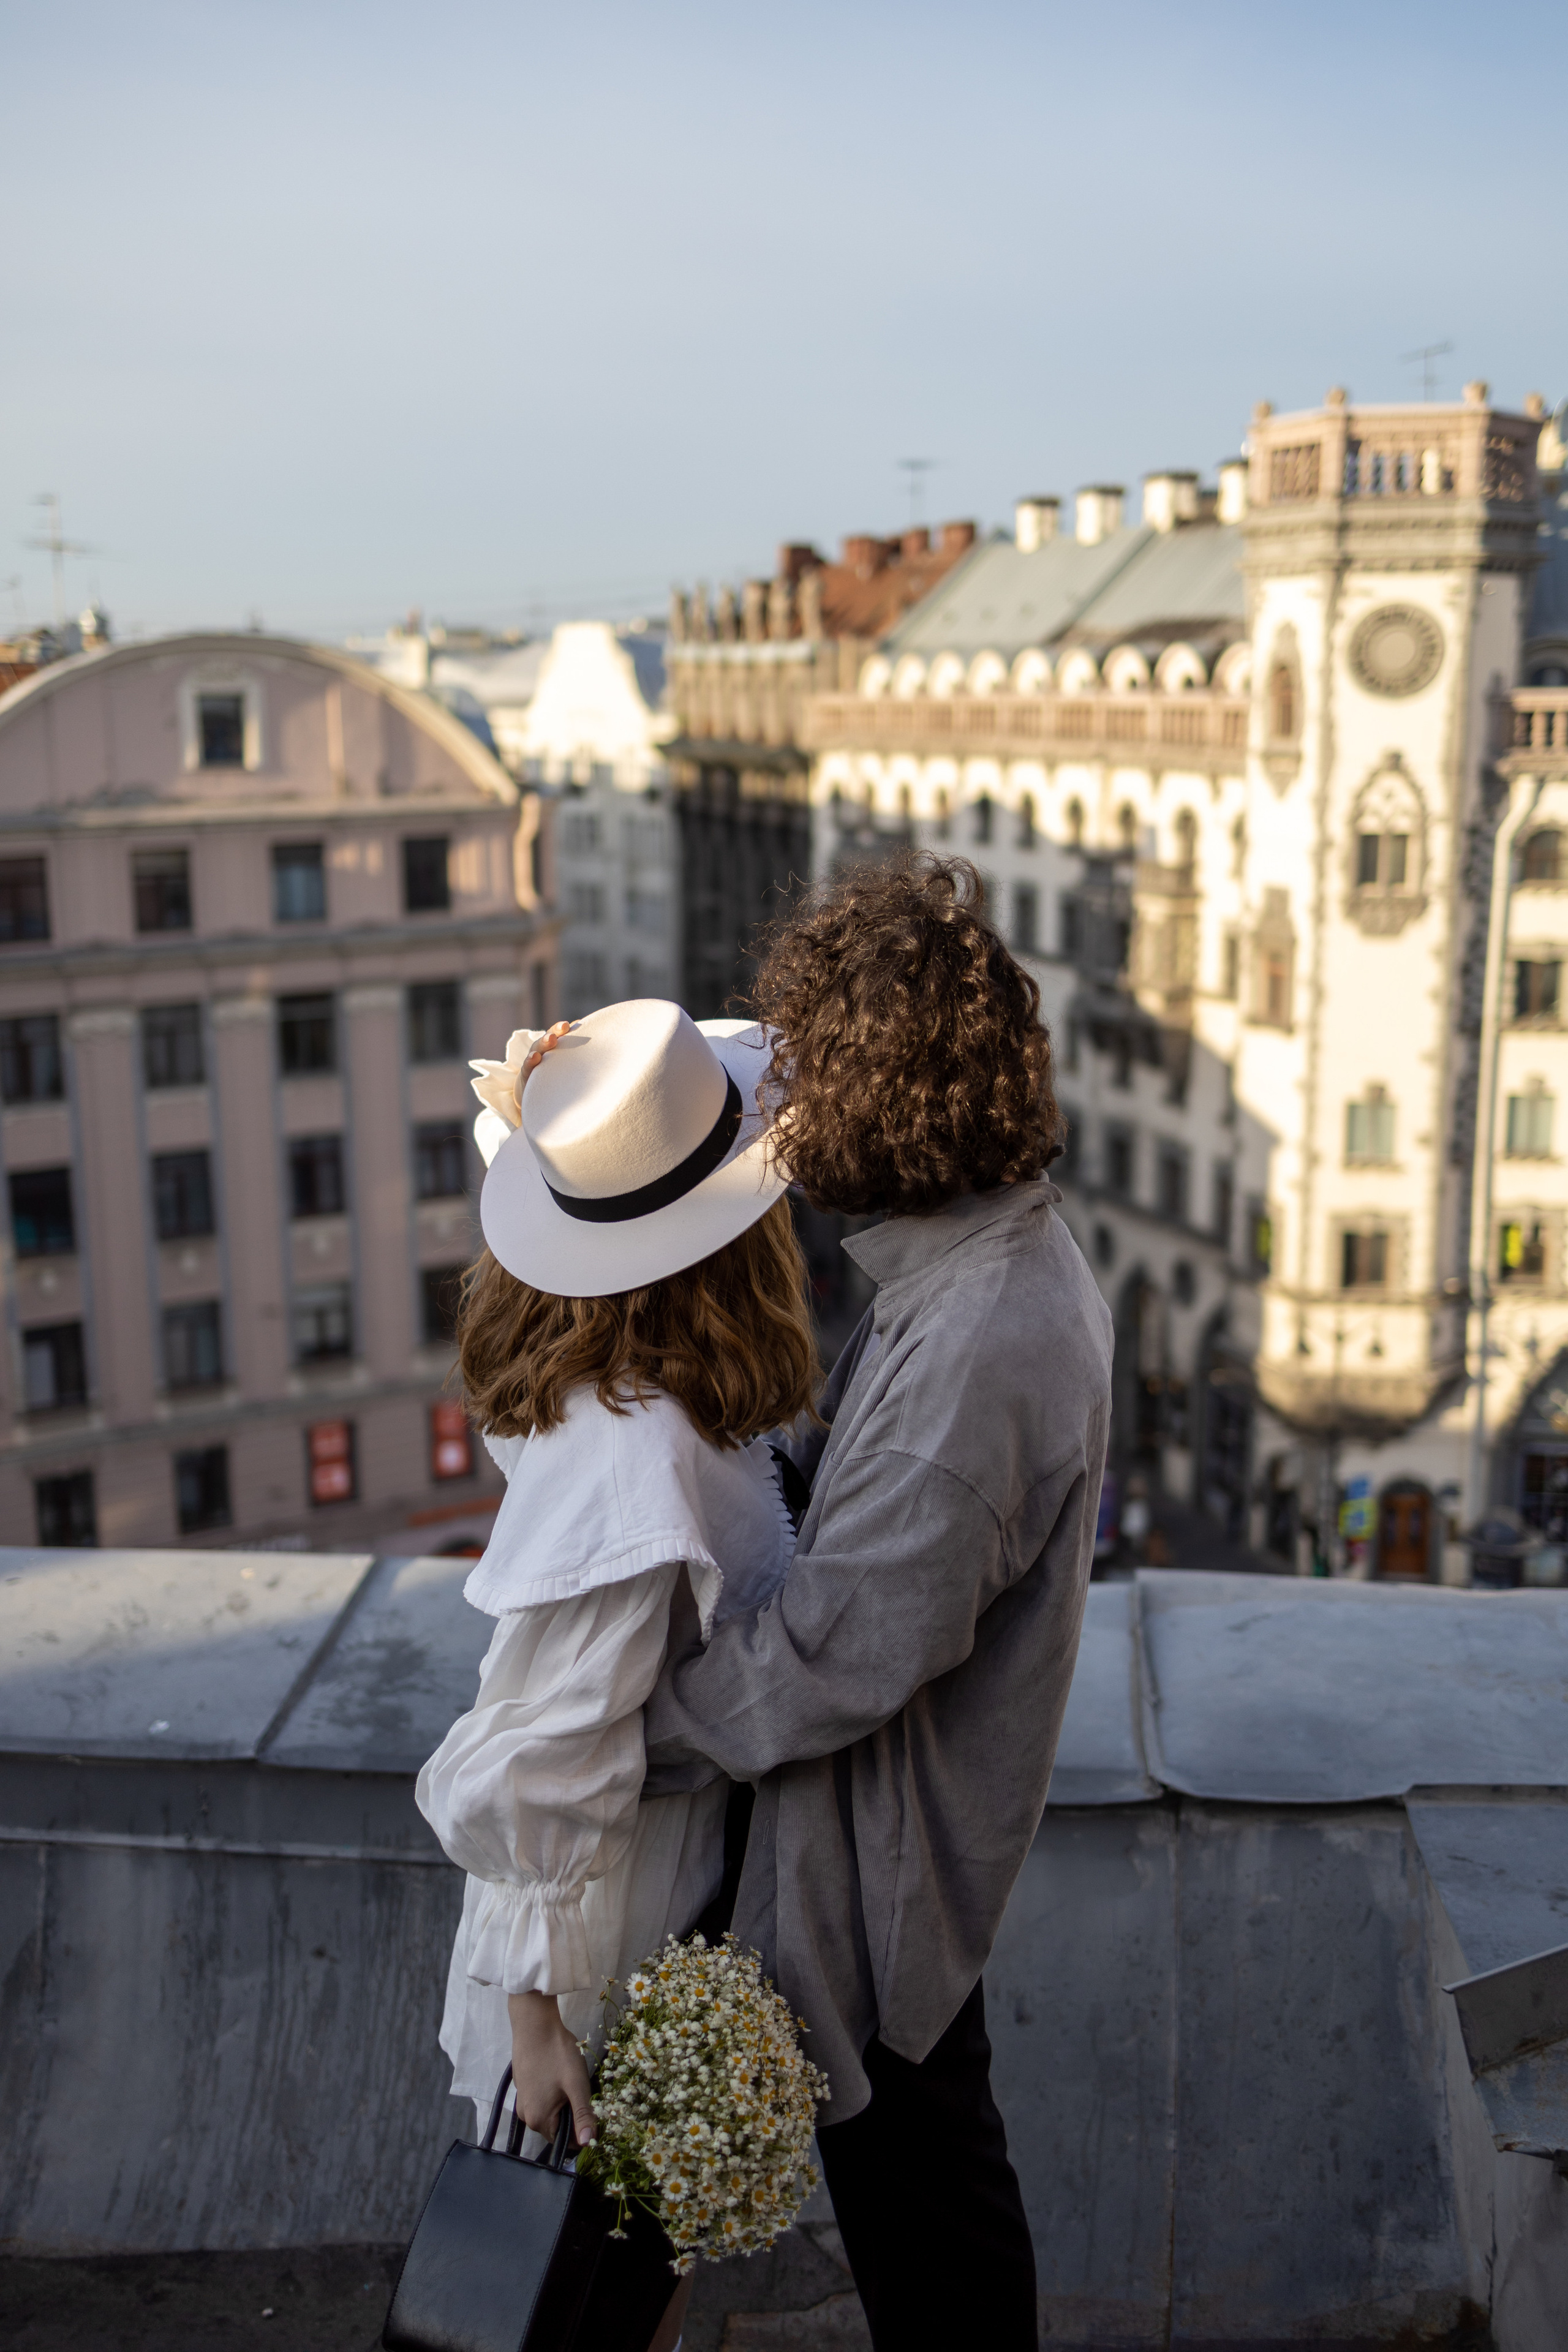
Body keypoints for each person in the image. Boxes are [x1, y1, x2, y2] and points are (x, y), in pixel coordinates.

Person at [643, 856, 1114, 2352]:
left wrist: (625, 1727)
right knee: (935, 2203)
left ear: (877, 1106)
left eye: (805, 1081)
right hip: (884, 1852)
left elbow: (833, 1658)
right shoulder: (982, 1259)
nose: (781, 1115)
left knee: (933, 2225)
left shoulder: (975, 1342)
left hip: (878, 1879)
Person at [415, 997, 816, 2352]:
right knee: (590, 2309)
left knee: (609, 2300)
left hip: (636, 1913)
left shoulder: (627, 1381)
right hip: (606, 1943)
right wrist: (540, 2021)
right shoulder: (630, 1450)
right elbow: (535, 1750)